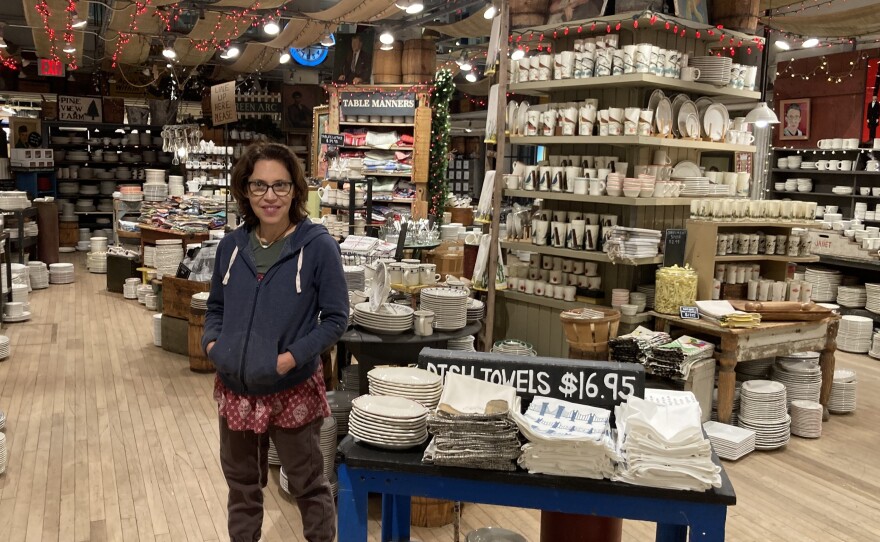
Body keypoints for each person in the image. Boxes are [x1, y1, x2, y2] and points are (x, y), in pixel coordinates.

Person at [202, 142, 348, 542]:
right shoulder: (231, 247)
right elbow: (215, 308)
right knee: (242, 487)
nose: (270, 196)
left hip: (291, 388)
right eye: (259, 185)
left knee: (308, 484)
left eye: (280, 185)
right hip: (236, 389)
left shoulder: (317, 247)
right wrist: (214, 346)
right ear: (245, 190)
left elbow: (336, 319)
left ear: (295, 190)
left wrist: (290, 359)